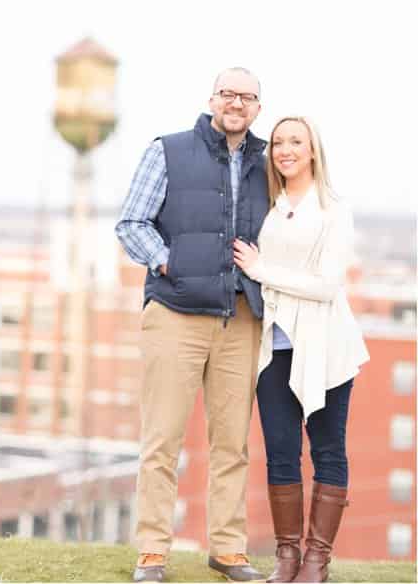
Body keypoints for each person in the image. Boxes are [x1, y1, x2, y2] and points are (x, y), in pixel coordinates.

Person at [115, 68, 270, 584]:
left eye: (248, 97)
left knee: (233, 444)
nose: (237, 103)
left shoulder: (266, 163)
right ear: (212, 99)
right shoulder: (169, 150)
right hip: (176, 316)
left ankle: (228, 550)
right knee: (162, 440)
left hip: (240, 319)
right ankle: (152, 553)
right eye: (229, 93)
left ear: (257, 108)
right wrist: (167, 262)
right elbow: (131, 222)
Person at [233, 116, 368, 584]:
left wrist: (261, 269)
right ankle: (287, 557)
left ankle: (317, 561)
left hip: (327, 346)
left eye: (296, 141)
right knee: (281, 453)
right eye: (277, 142)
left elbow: (328, 286)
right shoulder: (268, 205)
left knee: (329, 450)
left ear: (313, 150)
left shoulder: (333, 209)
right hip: (274, 347)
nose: (285, 149)